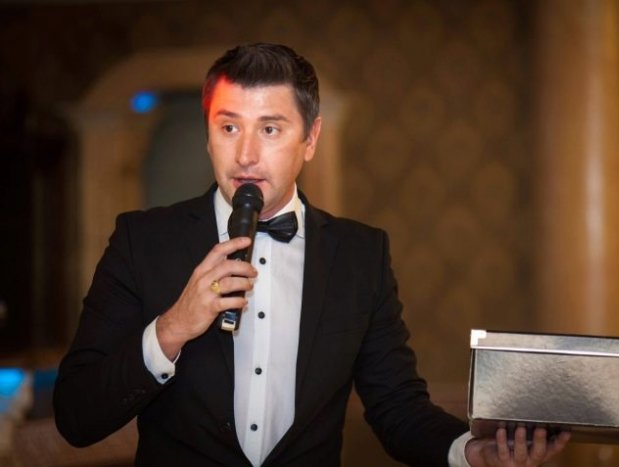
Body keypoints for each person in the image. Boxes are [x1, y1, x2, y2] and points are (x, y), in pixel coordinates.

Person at [53, 43, 569, 466]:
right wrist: (171, 329)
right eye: (229, 127)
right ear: (208, 137)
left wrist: (472, 453)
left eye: (270, 129)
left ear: (311, 138)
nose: (246, 154)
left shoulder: (361, 256)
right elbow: (76, 418)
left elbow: (397, 407)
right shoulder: (141, 241)